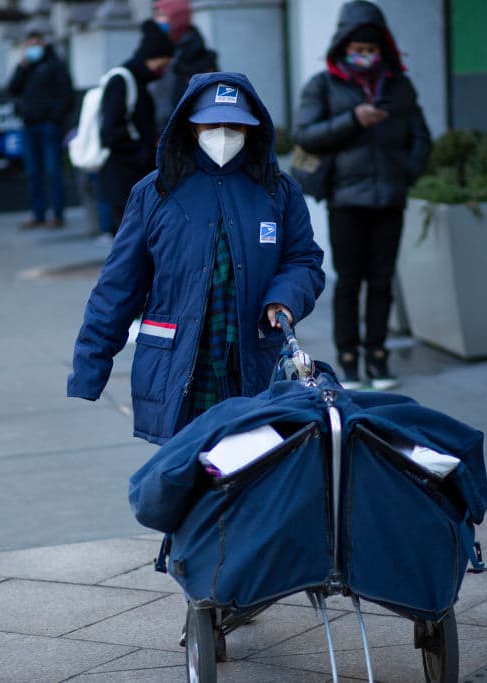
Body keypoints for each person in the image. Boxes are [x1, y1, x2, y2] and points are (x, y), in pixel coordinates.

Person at [68, 72, 326, 445]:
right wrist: (90, 367)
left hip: (253, 366)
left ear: (252, 129)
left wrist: (285, 295)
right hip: (177, 371)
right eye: (213, 122)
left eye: (235, 123)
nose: (224, 132)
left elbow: (304, 260)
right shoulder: (154, 193)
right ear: (190, 126)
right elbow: (117, 287)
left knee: (254, 481)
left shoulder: (279, 191)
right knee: (186, 487)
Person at [293, 0, 431, 390]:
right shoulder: (323, 85)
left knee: (382, 280)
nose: (365, 56)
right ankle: (349, 360)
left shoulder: (398, 86)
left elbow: (421, 136)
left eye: (371, 50)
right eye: (358, 50)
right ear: (343, 48)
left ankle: (379, 356)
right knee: (350, 280)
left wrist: (406, 170)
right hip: (345, 198)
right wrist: (354, 119)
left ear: (381, 50)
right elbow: (306, 135)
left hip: (390, 196)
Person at [97, 20, 174, 236]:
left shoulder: (137, 83)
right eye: (163, 63)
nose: (163, 70)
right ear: (152, 57)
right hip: (123, 177)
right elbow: (110, 132)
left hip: (132, 176)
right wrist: (141, 153)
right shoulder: (123, 81)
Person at [7, 29, 74, 229]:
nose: (33, 48)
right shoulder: (26, 68)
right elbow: (12, 88)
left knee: (53, 171)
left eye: (36, 44)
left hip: (49, 126)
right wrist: (22, 66)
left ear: (44, 44)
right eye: (29, 45)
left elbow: (66, 95)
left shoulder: (55, 65)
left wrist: (55, 118)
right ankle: (38, 214)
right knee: (33, 172)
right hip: (30, 126)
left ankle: (58, 214)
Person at [149, 0, 219, 136]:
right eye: (156, 15)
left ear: (177, 18)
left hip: (186, 135)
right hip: (162, 134)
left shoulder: (197, 56)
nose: (157, 21)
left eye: (162, 15)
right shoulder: (161, 51)